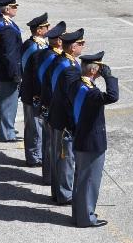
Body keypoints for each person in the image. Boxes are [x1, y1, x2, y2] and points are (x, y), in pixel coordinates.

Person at [70, 51, 119, 227]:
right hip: (91, 142)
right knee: (90, 181)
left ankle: (79, 214)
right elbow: (112, 96)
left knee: (81, 179)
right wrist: (109, 77)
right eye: (99, 67)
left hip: (80, 139)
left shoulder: (76, 84)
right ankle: (86, 218)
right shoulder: (90, 92)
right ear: (93, 71)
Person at [48, 27, 85, 204]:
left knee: (58, 157)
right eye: (81, 43)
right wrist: (74, 123)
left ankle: (58, 192)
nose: (83, 46)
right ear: (72, 48)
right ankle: (65, 194)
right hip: (64, 121)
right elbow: (71, 100)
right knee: (65, 159)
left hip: (55, 116)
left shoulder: (60, 60)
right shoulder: (71, 69)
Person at [34, 21, 67, 186]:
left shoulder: (47, 53)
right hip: (50, 105)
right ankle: (49, 177)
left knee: (50, 142)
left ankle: (49, 176)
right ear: (59, 40)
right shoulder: (53, 58)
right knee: (50, 144)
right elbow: (51, 85)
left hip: (47, 103)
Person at [0, 0, 23, 142]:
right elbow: (10, 55)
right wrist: (16, 74)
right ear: (7, 9)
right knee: (8, 104)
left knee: (2, 102)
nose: (16, 9)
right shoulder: (7, 29)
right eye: (14, 7)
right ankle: (7, 133)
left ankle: (1, 129)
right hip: (7, 71)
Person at [19, 13, 49, 166]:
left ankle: (38, 153)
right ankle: (33, 157)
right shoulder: (32, 47)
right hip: (32, 93)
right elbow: (30, 72)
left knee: (39, 125)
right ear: (38, 30)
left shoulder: (41, 44)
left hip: (36, 92)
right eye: (46, 27)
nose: (48, 29)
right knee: (34, 127)